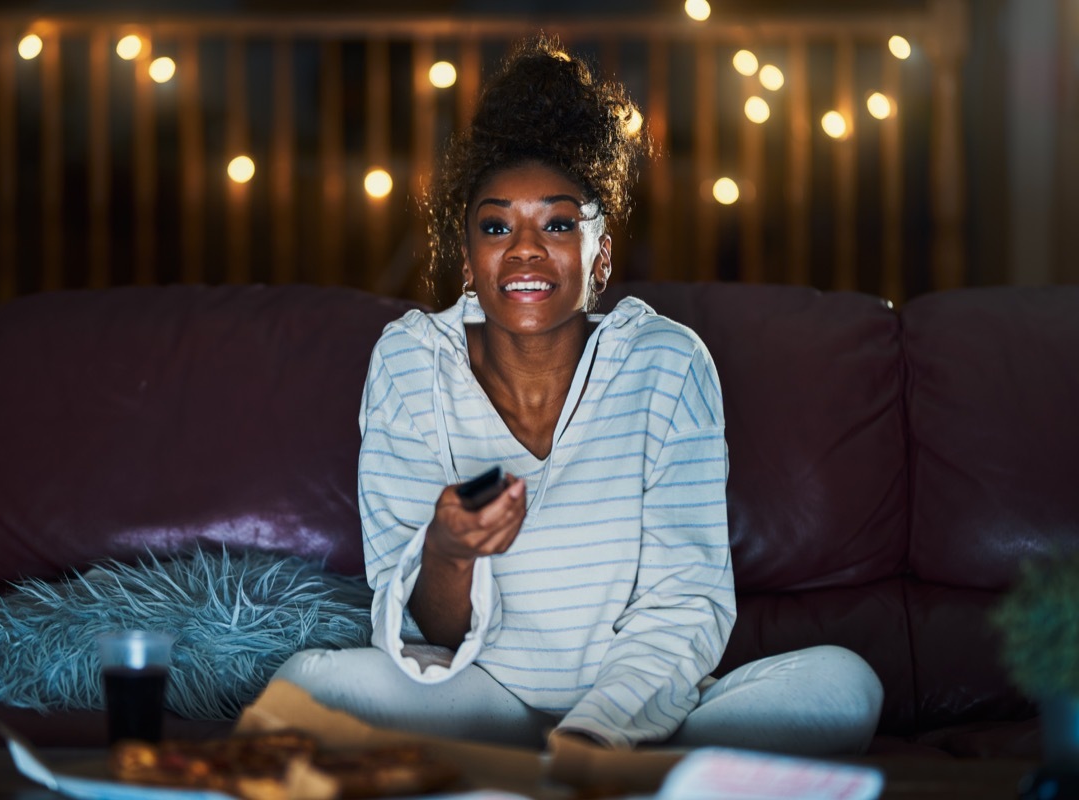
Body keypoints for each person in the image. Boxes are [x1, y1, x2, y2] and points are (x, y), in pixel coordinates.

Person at [275, 34, 883, 754]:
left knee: (844, 684)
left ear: (601, 259)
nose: (526, 249)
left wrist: (595, 736)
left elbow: (682, 607)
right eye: (496, 225)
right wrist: (447, 550)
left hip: (639, 717)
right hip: (480, 705)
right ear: (468, 262)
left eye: (559, 224)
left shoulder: (668, 363)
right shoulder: (411, 364)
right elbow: (421, 633)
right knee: (314, 684)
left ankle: (572, 777)